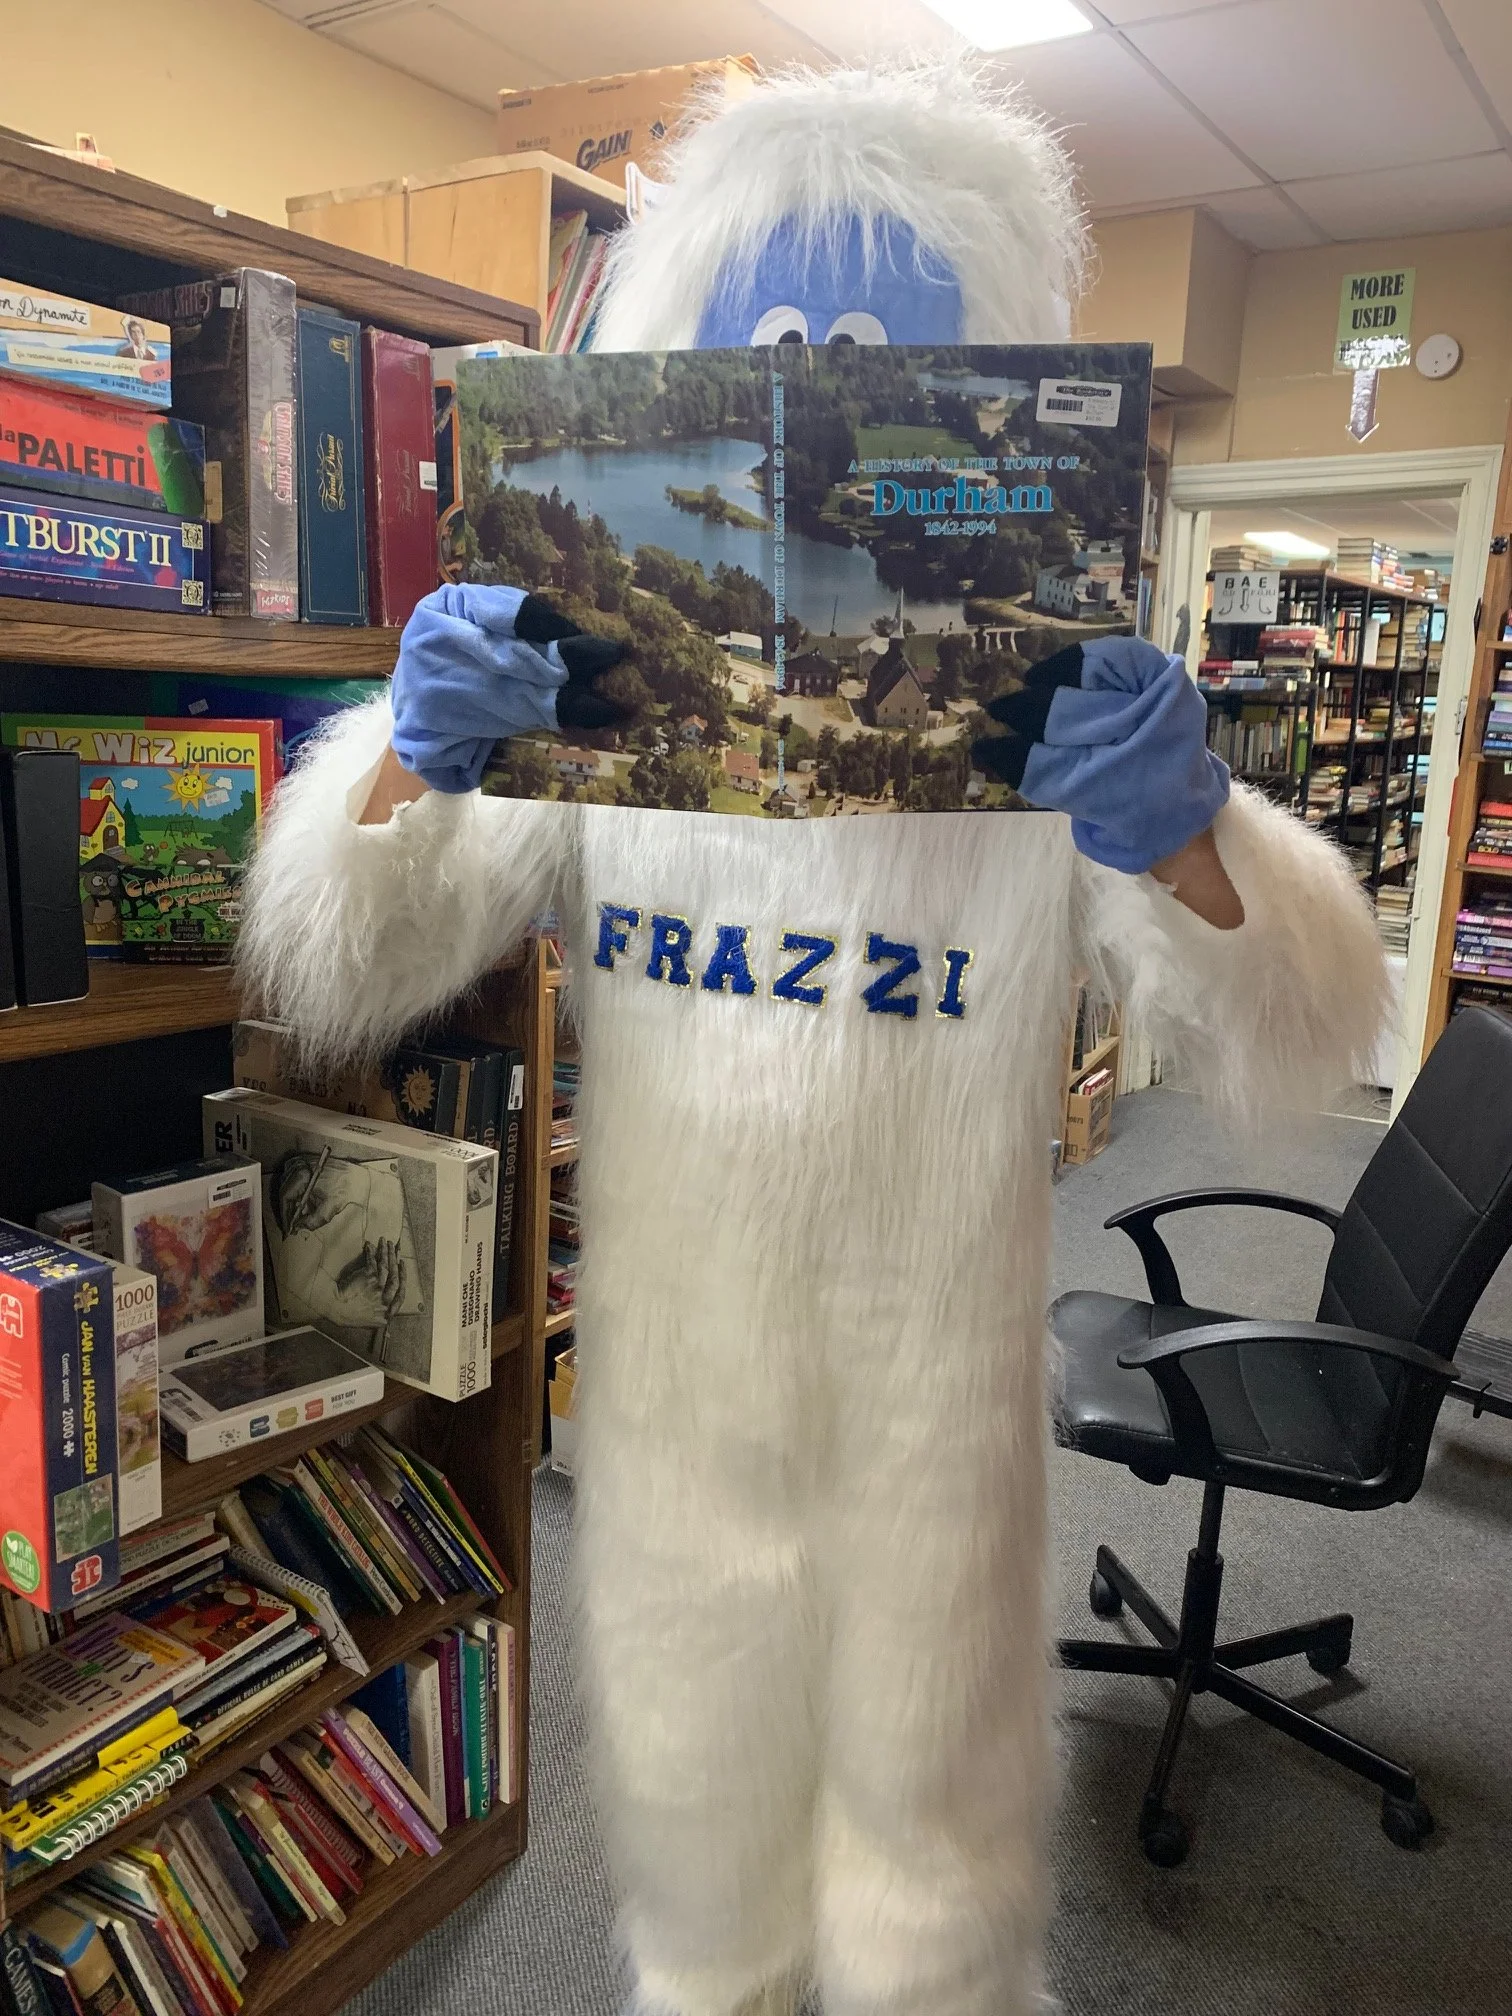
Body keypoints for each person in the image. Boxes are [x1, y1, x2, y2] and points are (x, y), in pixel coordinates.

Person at [241, 59, 1387, 2016]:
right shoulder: (599, 691)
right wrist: (409, 764)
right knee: (703, 1839)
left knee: (932, 1854)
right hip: (678, 1380)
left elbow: (1294, 1023)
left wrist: (1187, 832)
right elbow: (353, 953)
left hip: (937, 1385)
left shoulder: (1042, 714)